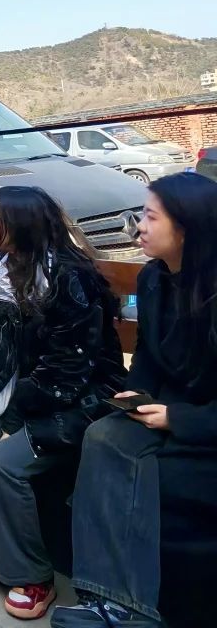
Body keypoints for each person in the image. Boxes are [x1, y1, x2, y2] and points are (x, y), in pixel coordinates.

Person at [52, 172, 217, 628]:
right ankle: (110, 601)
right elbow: (146, 353)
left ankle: (123, 606)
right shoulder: (153, 279)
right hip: (164, 410)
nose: (137, 227)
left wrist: (177, 418)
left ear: (187, 227)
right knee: (102, 435)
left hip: (204, 430)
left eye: (150, 216)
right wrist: (135, 394)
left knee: (135, 472)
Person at [0, 187, 126, 621]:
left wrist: (12, 420)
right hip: (30, 392)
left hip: (81, 399)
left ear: (20, 225)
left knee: (3, 461)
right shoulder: (6, 268)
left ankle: (33, 574)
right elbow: (0, 347)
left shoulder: (69, 278)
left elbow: (68, 369)